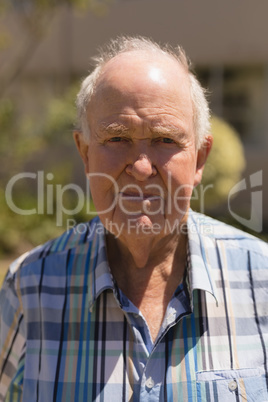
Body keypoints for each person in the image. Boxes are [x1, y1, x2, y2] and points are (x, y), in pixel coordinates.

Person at [0, 36, 267, 402]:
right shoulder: (29, 288)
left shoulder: (262, 280)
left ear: (200, 159)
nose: (141, 168)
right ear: (85, 153)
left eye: (165, 140)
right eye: (118, 138)